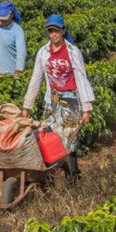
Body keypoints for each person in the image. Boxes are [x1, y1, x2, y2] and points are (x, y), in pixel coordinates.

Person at [21, 14, 94, 180]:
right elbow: (36, 79)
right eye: (50, 31)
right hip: (52, 101)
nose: (53, 34)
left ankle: (72, 176)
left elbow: (81, 79)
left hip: (70, 101)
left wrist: (87, 109)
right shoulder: (43, 53)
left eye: (56, 31)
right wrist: (27, 106)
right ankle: (52, 178)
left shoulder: (73, 53)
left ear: (63, 31)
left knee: (69, 140)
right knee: (50, 137)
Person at [0, 1, 27, 81]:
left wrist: (17, 73)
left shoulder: (17, 31)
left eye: (5, 20)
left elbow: (21, 53)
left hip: (9, 72)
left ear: (12, 15)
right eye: (1, 20)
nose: (2, 22)